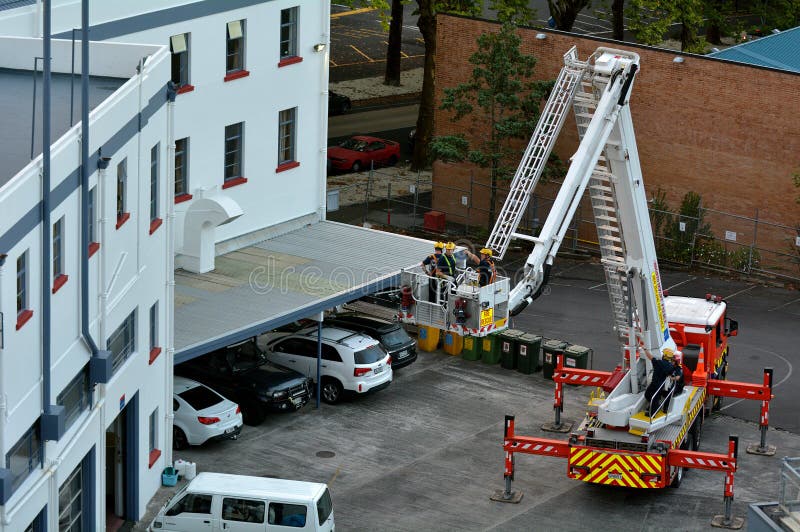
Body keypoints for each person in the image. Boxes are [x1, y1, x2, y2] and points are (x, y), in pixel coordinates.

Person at [643, 348, 680, 415]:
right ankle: (655, 406)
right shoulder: (670, 366)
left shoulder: (658, 362)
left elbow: (650, 357)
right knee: (650, 396)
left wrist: (645, 349)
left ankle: (653, 413)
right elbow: (672, 375)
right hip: (659, 385)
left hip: (656, 384)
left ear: (665, 356)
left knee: (649, 396)